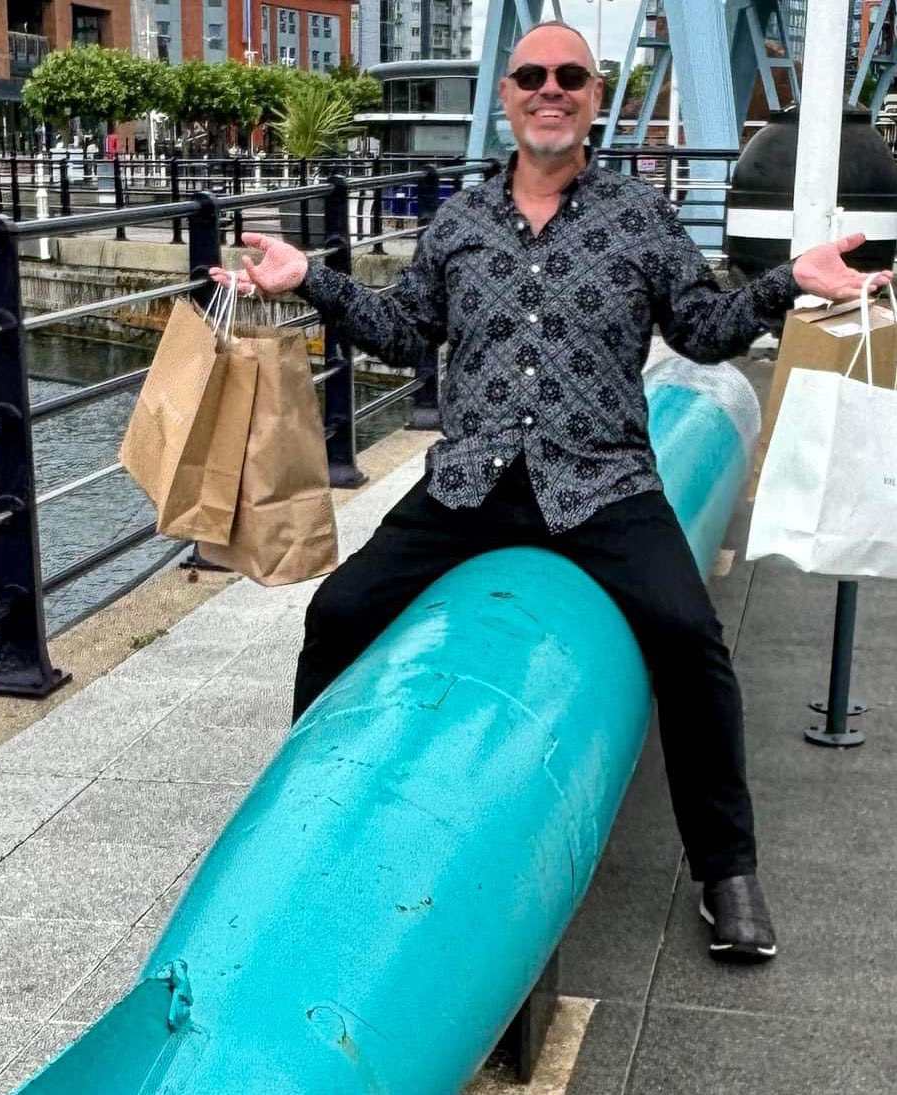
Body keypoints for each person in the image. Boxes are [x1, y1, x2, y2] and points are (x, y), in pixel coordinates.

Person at [210, 21, 891, 963]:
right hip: (472, 479)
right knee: (337, 612)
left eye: (570, 75)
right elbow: (405, 331)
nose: (550, 89)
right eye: (531, 74)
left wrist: (785, 284)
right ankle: (306, 819)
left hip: (602, 480)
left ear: (593, 97)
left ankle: (726, 868)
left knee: (690, 642)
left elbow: (701, 330)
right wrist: (311, 282)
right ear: (507, 96)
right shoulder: (460, 221)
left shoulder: (638, 215)